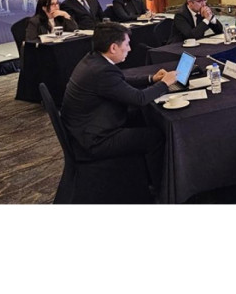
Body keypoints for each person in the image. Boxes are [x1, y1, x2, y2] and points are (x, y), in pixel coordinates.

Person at [62, 22, 177, 189]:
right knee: (155, 137)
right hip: (96, 140)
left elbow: (119, 80)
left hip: (86, 128)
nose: (129, 49)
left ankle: (145, 175)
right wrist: (165, 83)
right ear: (114, 47)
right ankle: (160, 188)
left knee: (143, 117)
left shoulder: (93, 59)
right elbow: (139, 98)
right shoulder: (101, 71)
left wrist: (151, 79)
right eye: (127, 44)